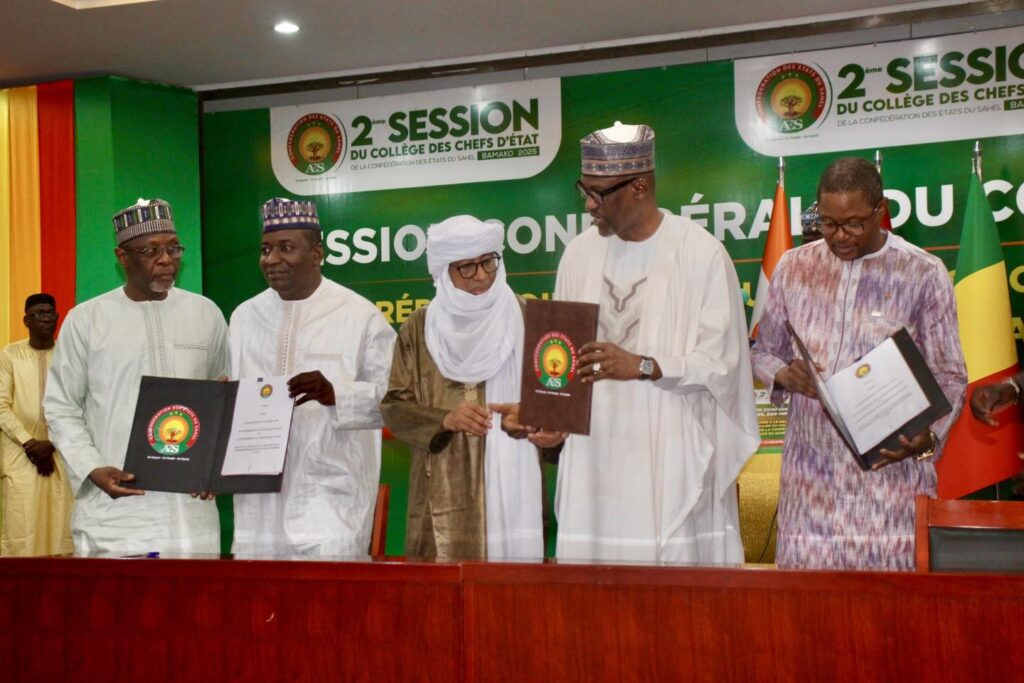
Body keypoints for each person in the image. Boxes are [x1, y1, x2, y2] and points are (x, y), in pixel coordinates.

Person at [550, 122, 760, 563]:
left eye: (600, 194)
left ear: (640, 186)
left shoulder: (699, 253)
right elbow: (561, 358)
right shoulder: (578, 254)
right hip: (593, 457)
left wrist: (643, 365)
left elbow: (723, 365)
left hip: (670, 450)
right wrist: (551, 421)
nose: (589, 205)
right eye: (584, 191)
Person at [750, 157, 967, 571]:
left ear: (879, 210)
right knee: (809, 617)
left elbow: (950, 376)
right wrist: (781, 373)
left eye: (853, 223)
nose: (840, 236)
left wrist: (930, 437)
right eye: (828, 223)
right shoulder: (795, 268)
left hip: (890, 488)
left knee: (888, 617)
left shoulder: (922, 272)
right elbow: (761, 351)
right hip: (809, 488)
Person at [44, 199, 229, 554]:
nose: (166, 259)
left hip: (192, 512)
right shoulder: (87, 320)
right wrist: (92, 467)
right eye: (151, 250)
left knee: (198, 608)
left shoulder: (205, 314)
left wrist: (214, 465)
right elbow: (61, 407)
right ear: (122, 256)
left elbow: (222, 396)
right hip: (119, 513)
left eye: (173, 247)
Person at [381, 215, 557, 560]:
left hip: (516, 480)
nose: (481, 276)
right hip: (441, 484)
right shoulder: (419, 328)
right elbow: (394, 406)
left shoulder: (532, 319)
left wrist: (533, 419)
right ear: (444, 273)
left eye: (488, 262)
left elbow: (557, 407)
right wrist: (444, 419)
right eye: (466, 267)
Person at [228, 198, 395, 557]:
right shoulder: (244, 317)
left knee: (328, 606)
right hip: (259, 506)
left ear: (317, 253)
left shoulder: (359, 316)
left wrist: (337, 394)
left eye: (286, 248)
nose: (271, 259)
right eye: (265, 249)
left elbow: (396, 401)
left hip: (331, 499)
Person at [0, 294, 73, 556]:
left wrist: (52, 443)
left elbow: (80, 404)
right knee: (22, 528)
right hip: (20, 453)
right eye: (38, 315)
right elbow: (1, 405)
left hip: (62, 453)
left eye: (49, 314)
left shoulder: (67, 355)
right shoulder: (9, 355)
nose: (45, 319)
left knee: (61, 528)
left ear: (57, 318)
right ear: (26, 320)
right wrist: (30, 443)